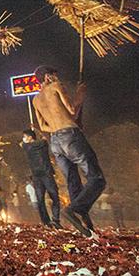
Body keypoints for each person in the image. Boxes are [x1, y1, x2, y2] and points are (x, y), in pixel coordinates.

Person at [32, 65, 106, 237]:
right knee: (97, 178)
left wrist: (58, 125)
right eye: (55, 75)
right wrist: (80, 93)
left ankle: (86, 226)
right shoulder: (56, 87)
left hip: (55, 142)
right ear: (48, 77)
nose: (58, 78)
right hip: (70, 136)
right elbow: (72, 110)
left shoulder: (36, 99)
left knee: (73, 182)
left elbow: (42, 126)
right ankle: (73, 210)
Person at [21, 129, 62, 229]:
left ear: (30, 137)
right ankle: (55, 219)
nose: (23, 139)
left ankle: (46, 222)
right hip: (46, 174)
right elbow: (45, 137)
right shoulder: (43, 144)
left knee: (40, 200)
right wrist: (36, 130)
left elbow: (22, 143)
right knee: (54, 197)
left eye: (25, 136)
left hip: (37, 176)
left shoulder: (26, 146)